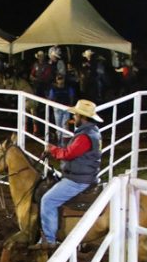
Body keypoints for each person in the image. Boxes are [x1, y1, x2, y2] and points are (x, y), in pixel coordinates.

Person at [31, 99, 103, 250]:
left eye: (76, 115)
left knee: (48, 200)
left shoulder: (84, 136)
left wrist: (52, 150)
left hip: (77, 179)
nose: (74, 118)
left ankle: (49, 240)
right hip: (84, 175)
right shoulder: (92, 132)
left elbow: (69, 154)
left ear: (82, 117)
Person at [47, 74, 76, 145]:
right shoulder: (53, 89)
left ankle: (62, 144)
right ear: (56, 80)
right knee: (58, 127)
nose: (60, 80)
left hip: (66, 108)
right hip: (57, 109)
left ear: (64, 79)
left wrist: (70, 106)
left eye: (61, 78)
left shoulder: (68, 88)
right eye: (59, 79)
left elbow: (72, 97)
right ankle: (60, 143)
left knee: (65, 126)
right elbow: (50, 99)